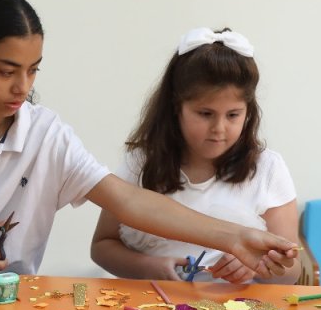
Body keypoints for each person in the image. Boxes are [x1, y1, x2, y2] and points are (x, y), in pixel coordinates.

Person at [0, 0, 298, 310]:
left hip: (12, 309)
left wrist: (235, 237)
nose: (22, 87)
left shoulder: (46, 134)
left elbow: (124, 200)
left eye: (32, 71)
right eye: (7, 70)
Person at [90, 28, 301, 284]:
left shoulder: (268, 169)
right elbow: (102, 246)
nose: (219, 128)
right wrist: (149, 267)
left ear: (249, 111)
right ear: (176, 108)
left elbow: (291, 271)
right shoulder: (141, 163)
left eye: (233, 115)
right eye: (205, 114)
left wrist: (256, 267)